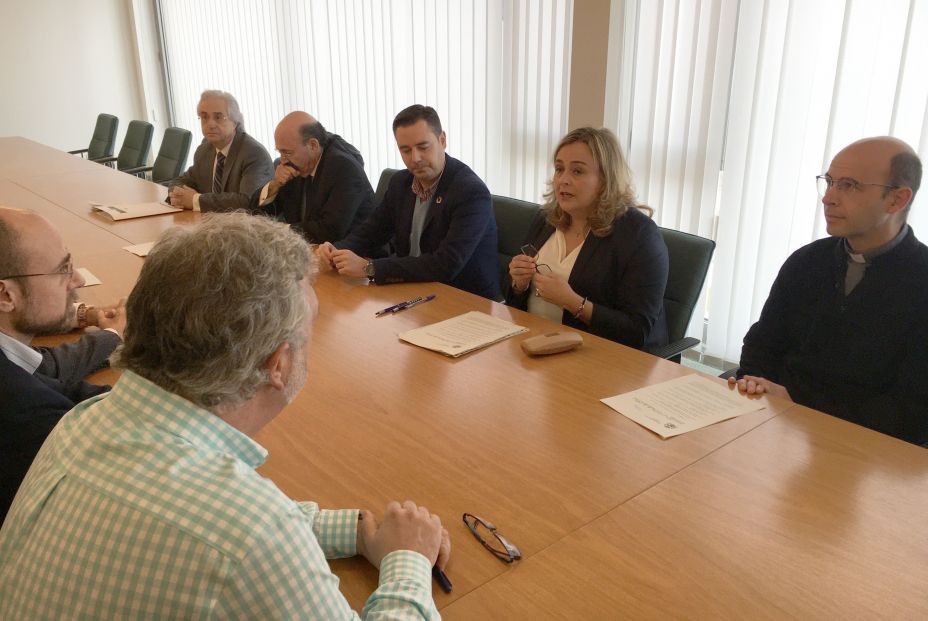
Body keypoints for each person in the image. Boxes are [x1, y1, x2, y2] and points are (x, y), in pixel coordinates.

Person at [0, 213, 450, 618]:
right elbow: (245, 535)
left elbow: (213, 524)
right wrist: (407, 560)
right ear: (278, 364)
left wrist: (355, 532)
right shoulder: (252, 534)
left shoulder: (85, 423)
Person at [729, 136, 927, 446]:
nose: (828, 198)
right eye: (830, 182)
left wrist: (798, 403)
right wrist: (755, 383)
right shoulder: (808, 261)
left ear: (897, 200)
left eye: (849, 185)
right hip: (776, 428)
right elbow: (762, 345)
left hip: (870, 451)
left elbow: (913, 410)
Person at [0, 207, 125, 521]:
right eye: (63, 269)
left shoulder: (13, 365)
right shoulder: (28, 414)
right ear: (5, 295)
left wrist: (84, 316)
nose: (78, 279)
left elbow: (41, 369)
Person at [505, 127, 669, 352]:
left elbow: (637, 331)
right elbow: (514, 300)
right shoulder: (546, 219)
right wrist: (519, 284)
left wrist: (572, 302)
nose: (563, 180)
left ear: (605, 179)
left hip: (602, 359)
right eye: (559, 169)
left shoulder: (639, 236)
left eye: (578, 172)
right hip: (535, 343)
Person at [317, 104, 501, 300]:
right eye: (405, 150)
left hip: (465, 299)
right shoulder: (401, 183)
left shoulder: (470, 191)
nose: (415, 158)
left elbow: (446, 264)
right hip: (412, 291)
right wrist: (335, 250)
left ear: (442, 140)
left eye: (423, 147)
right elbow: (372, 232)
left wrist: (369, 268)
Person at [254, 111, 376, 243]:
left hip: (357, 254)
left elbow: (330, 230)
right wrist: (275, 185)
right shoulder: (292, 165)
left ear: (313, 145)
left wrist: (280, 230)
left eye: (287, 152)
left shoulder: (344, 168)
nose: (282, 160)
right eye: (280, 152)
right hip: (310, 249)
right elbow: (254, 213)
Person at [168, 89, 273, 212]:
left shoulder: (253, 153)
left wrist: (195, 200)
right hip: (210, 224)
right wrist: (178, 195)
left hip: (247, 228)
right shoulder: (204, 150)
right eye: (204, 117)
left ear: (234, 122)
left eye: (218, 117)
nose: (210, 124)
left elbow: (247, 201)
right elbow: (180, 181)